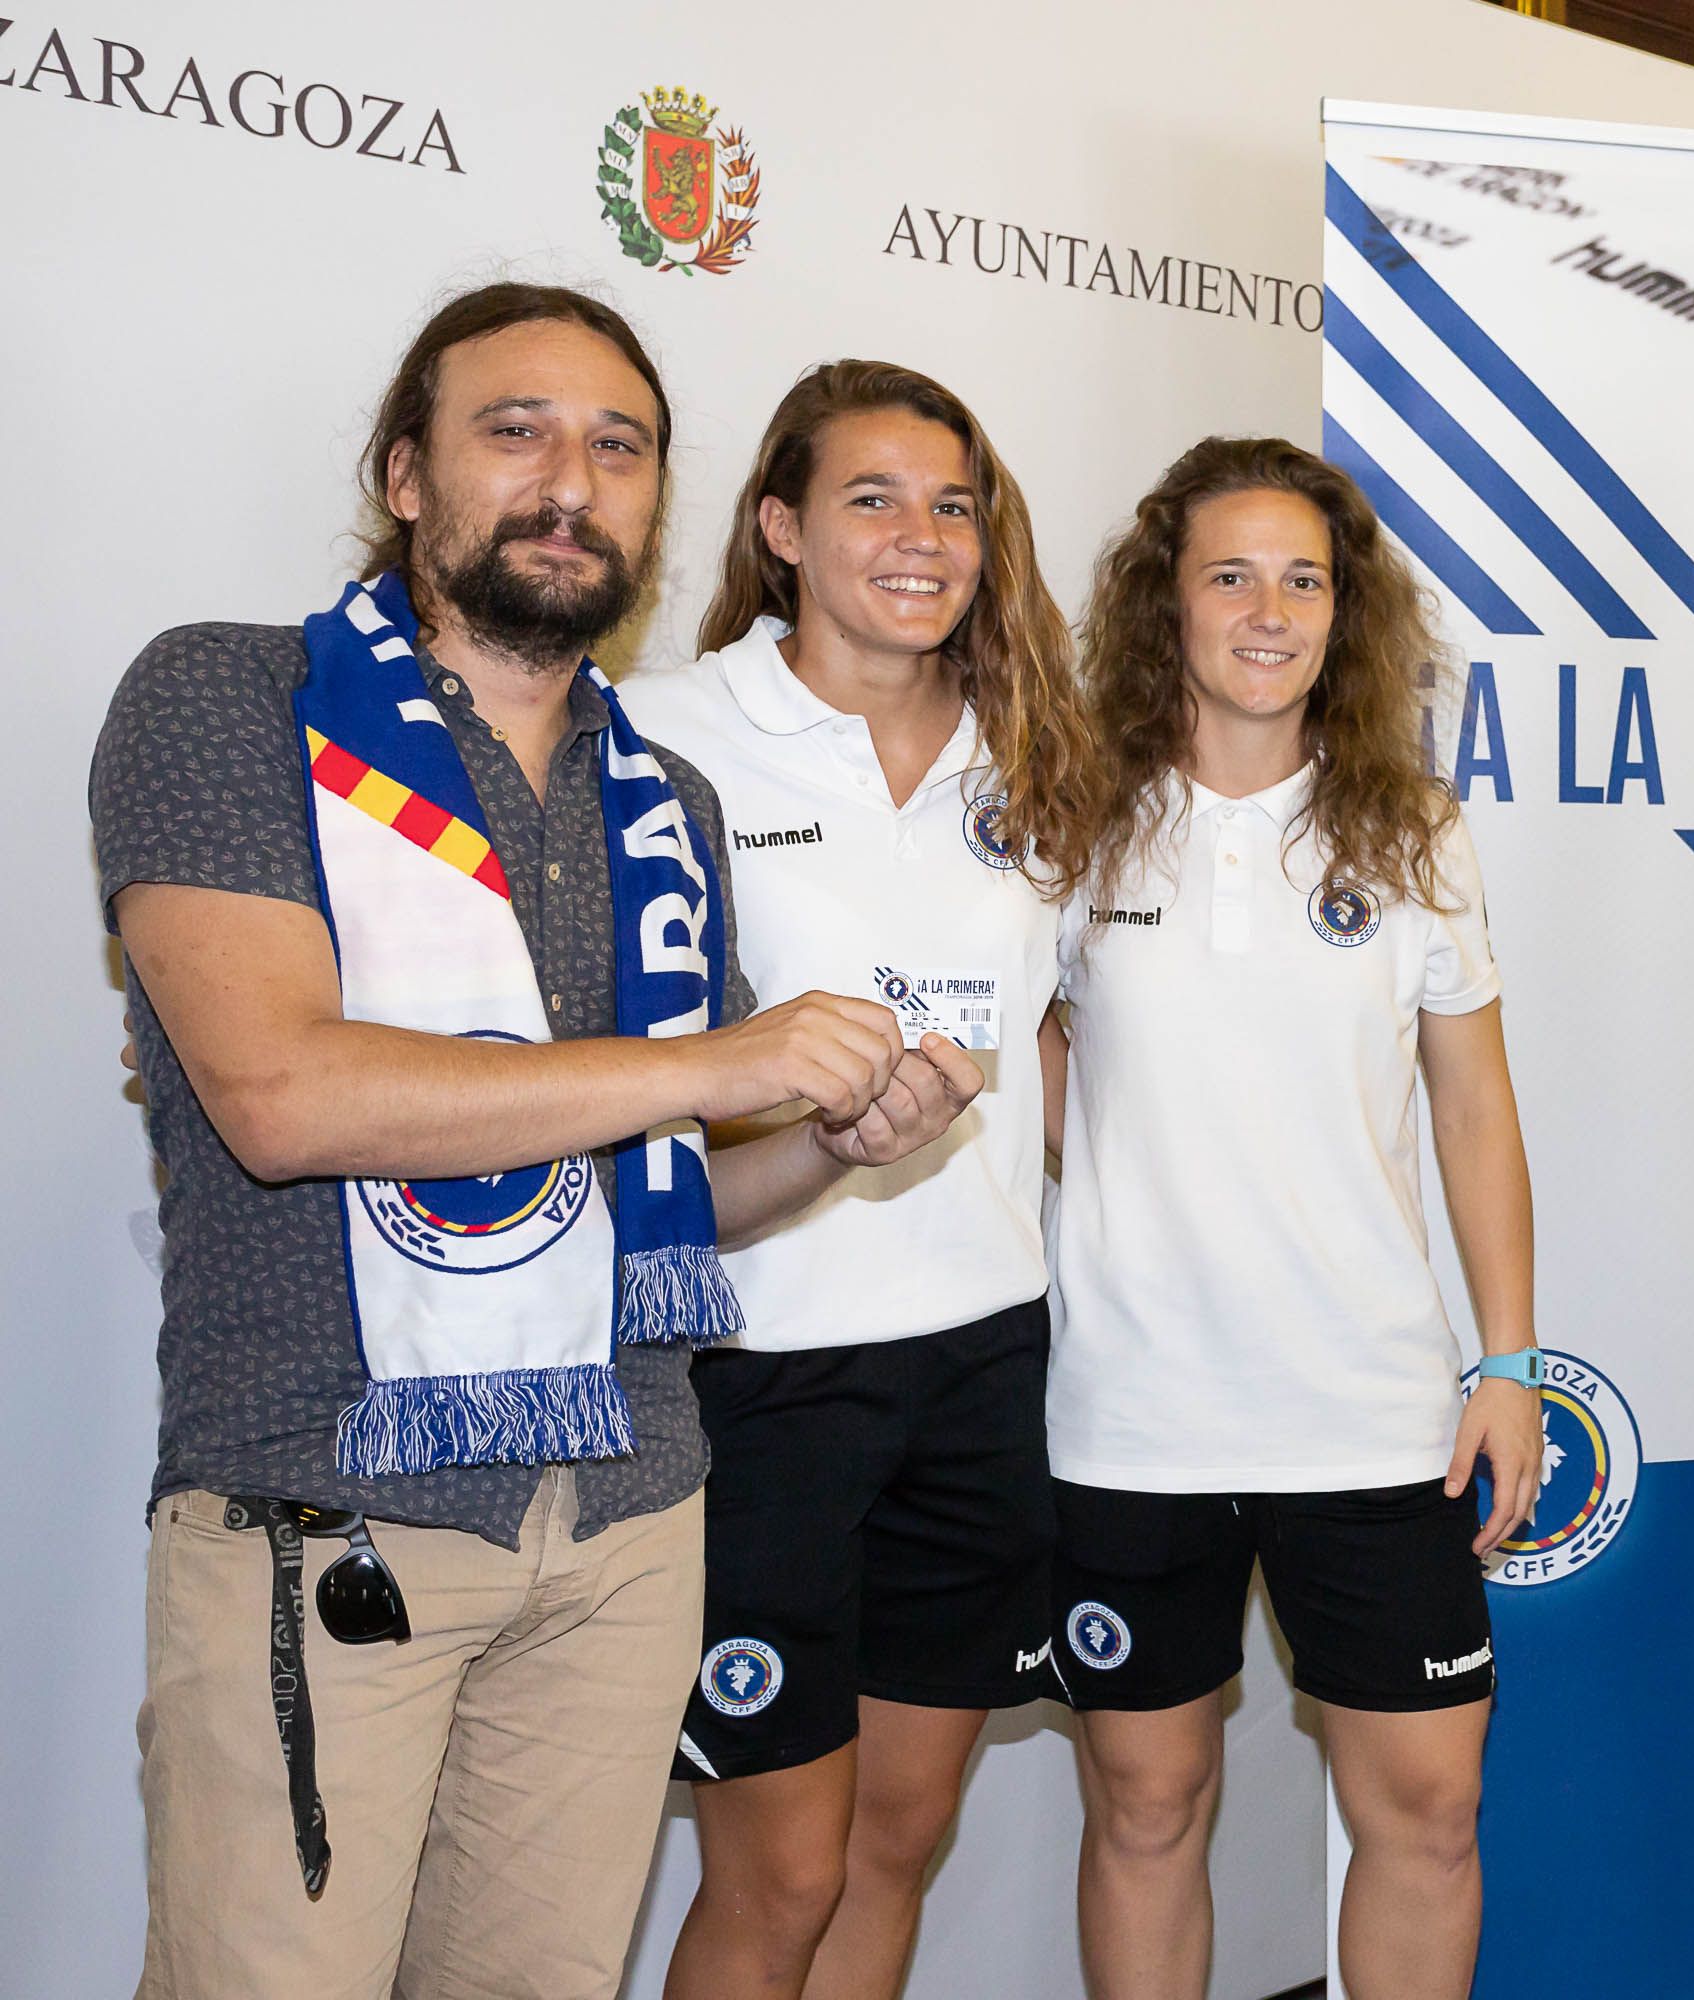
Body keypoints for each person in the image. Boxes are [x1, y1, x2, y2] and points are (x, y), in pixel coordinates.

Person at [93, 285, 980, 2000]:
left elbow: (665, 1200)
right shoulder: (229, 700)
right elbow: (285, 1100)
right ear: (406, 474)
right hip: (331, 1518)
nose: (572, 479)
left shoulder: (666, 806)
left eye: (620, 446)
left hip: (629, 1521)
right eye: (518, 430)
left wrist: (844, 1142)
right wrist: (718, 1057)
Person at [630, 360, 1102, 2000]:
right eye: (872, 500)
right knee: (783, 1872)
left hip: (984, 1355)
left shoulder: (1038, 759)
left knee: (896, 1842)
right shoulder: (663, 733)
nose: (921, 536)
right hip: (760, 1362)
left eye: (954, 504)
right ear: (779, 528)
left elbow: (1058, 1039)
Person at [1048, 436, 1543, 2000]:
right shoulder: (1070, 822)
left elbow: (1475, 1110)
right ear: (1165, 603)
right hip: (1132, 1417)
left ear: (1349, 612)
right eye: (1230, 574)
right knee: (1147, 1805)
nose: (1270, 610)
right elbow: (1023, 1063)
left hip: (1370, 1414)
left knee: (1431, 1811)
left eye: (1306, 579)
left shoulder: (1415, 833)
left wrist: (1511, 1363)